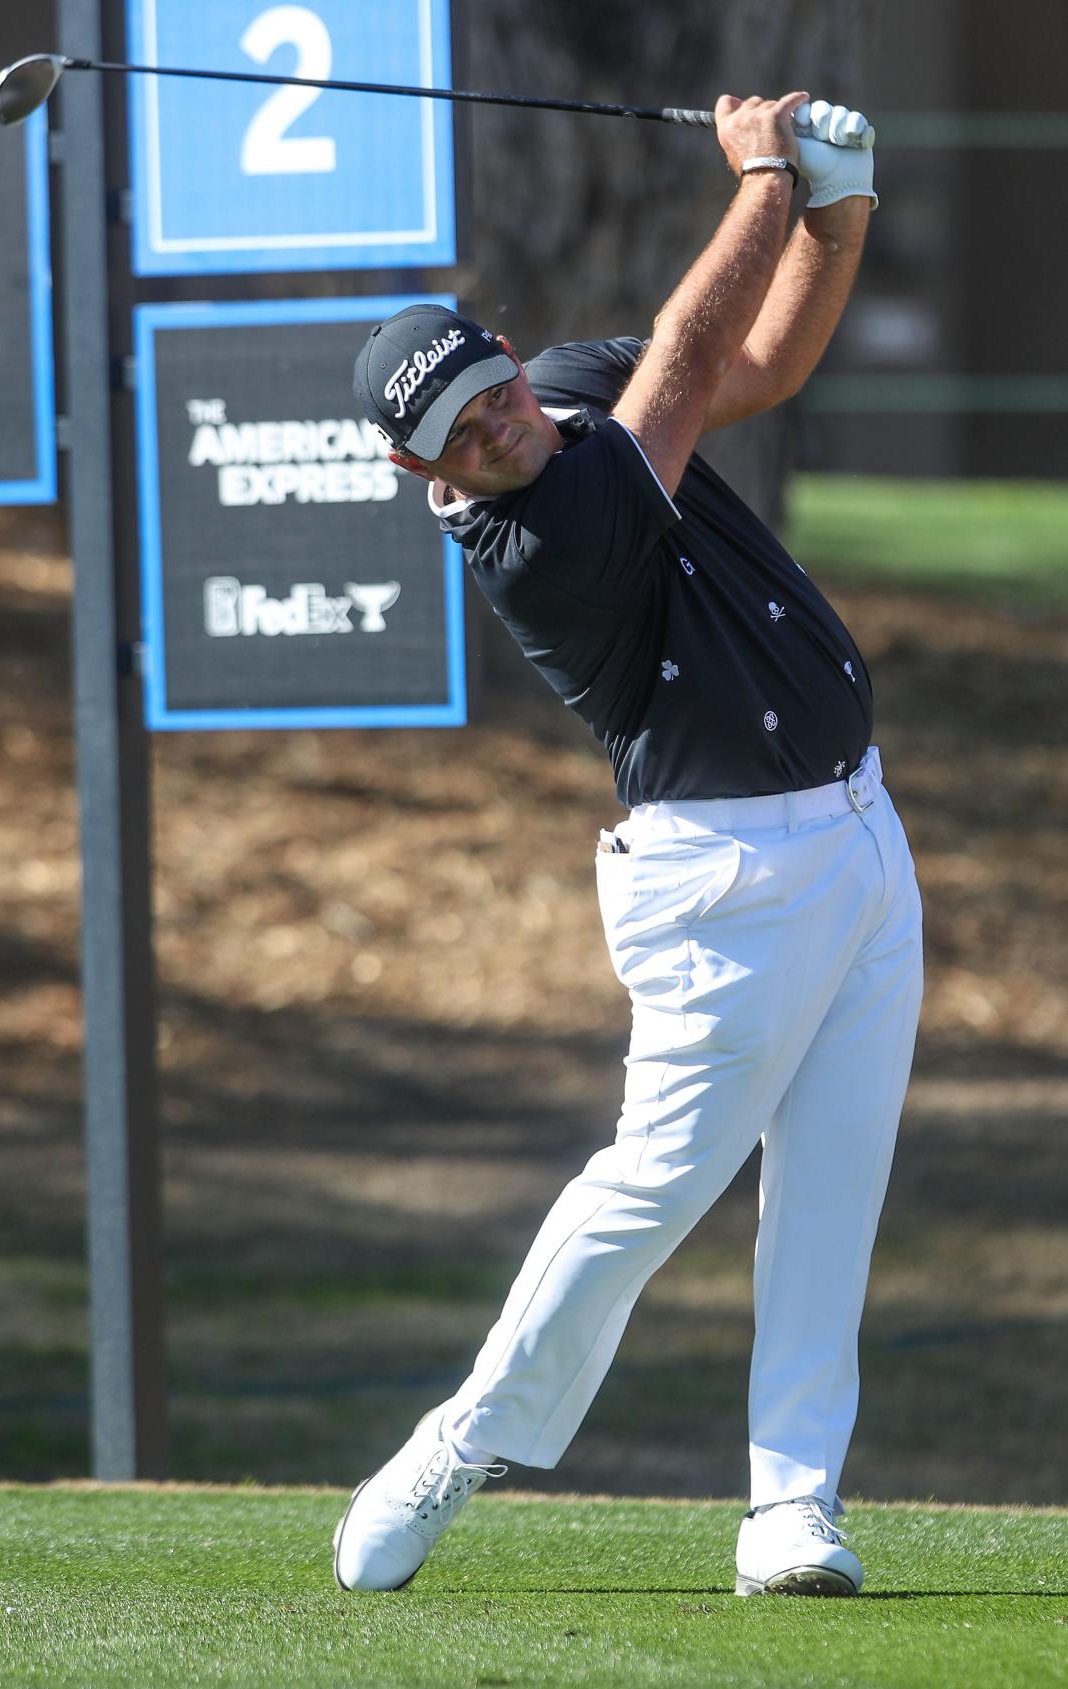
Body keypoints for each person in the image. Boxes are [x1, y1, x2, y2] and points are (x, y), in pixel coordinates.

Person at [336, 91, 922, 1599]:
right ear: (425, 475)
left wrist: (833, 213)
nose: (495, 425)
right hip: (722, 881)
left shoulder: (565, 388)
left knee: (833, 1182)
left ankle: (790, 1506)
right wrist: (761, 174)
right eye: (459, 434)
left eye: (489, 390)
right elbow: (675, 364)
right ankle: (462, 1436)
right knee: (656, 1180)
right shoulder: (529, 542)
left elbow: (757, 361)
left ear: (501, 358)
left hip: (859, 838)